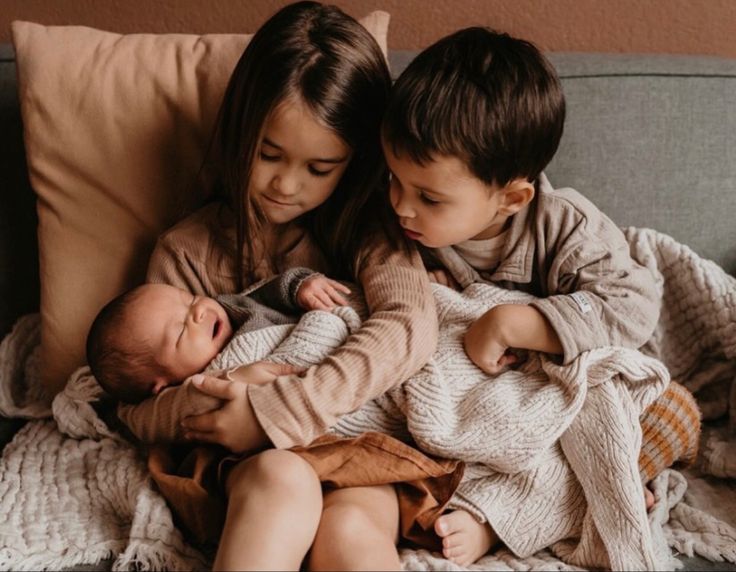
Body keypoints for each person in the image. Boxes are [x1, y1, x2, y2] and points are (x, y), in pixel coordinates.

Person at [135, 2, 458, 571]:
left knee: (354, 529)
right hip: (248, 460)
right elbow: (140, 403)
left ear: (353, 161)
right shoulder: (186, 251)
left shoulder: (370, 231)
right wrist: (233, 393)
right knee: (283, 481)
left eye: (319, 168)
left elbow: (408, 325)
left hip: (354, 448)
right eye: (269, 155)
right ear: (241, 132)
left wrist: (284, 406)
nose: (287, 185)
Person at [381, 26, 700, 565]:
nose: (401, 207)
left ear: (511, 197)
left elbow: (632, 305)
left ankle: (544, 506)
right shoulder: (398, 231)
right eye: (393, 180)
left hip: (568, 400)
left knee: (675, 414)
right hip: (483, 410)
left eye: (428, 197)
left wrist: (518, 322)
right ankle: (574, 501)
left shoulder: (563, 224)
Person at [86, 268, 347, 403]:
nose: (199, 312)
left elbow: (272, 291)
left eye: (190, 300)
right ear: (162, 386)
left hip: (343, 351)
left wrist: (300, 286)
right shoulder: (204, 391)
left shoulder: (239, 309)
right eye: (180, 330)